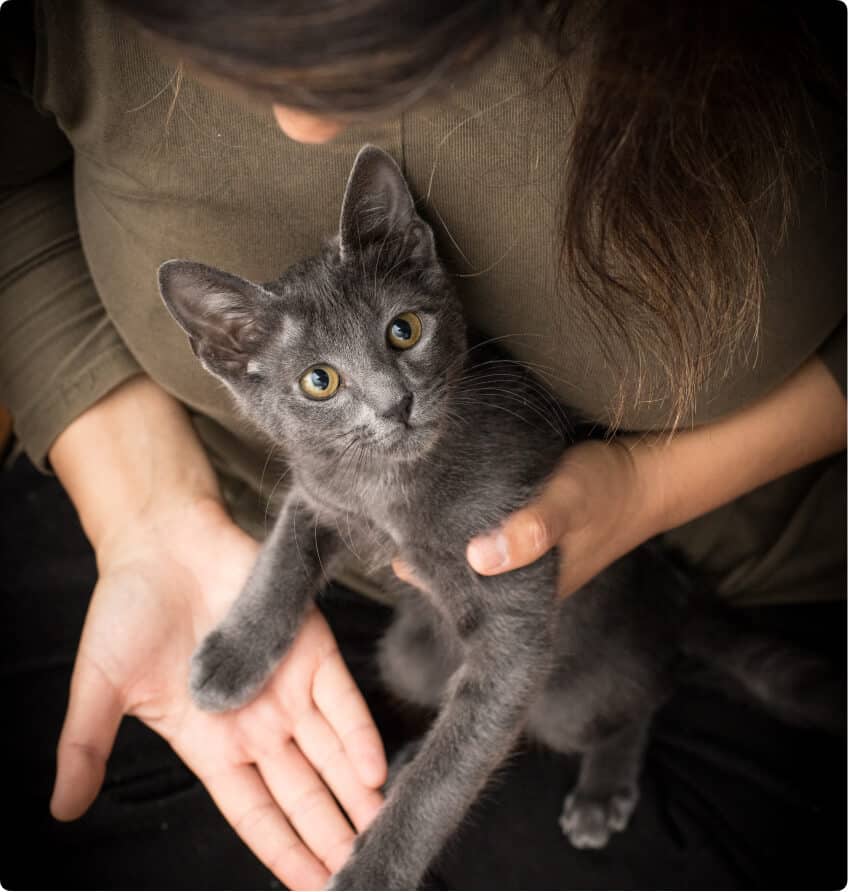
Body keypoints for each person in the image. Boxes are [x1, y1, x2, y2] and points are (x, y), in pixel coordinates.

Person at [0, 0, 844, 888]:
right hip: (218, 520)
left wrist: (647, 487)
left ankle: (624, 728)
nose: (393, 399)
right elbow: (315, 504)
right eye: (323, 382)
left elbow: (503, 665)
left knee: (575, 738)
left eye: (401, 336)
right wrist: (148, 521)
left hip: (622, 601)